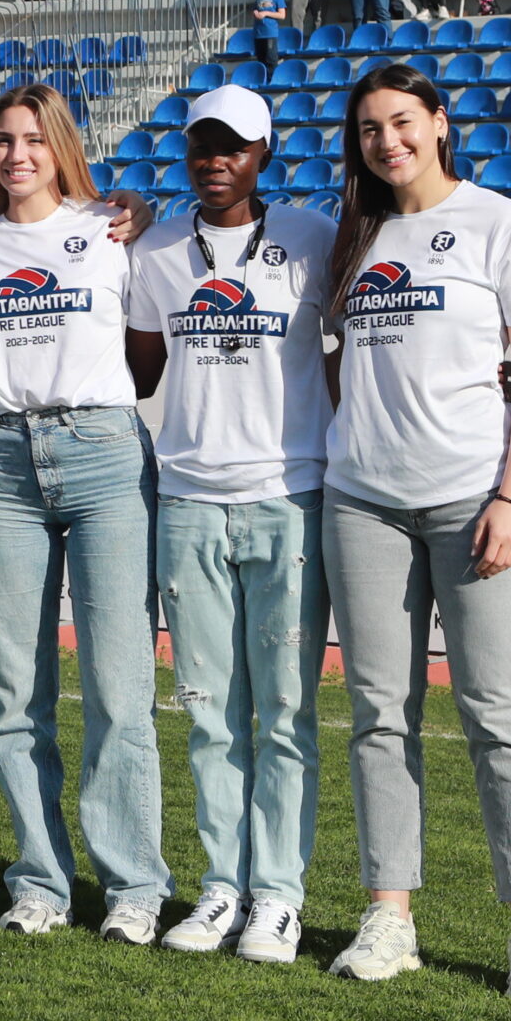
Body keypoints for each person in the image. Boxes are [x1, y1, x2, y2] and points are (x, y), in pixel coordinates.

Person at [320, 67, 511, 1004]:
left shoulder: (502, 225)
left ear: (439, 123)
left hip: (473, 502)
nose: (387, 141)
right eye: (369, 129)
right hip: (361, 504)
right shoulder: (353, 233)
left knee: (499, 715)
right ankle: (390, 916)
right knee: (379, 717)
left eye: (402, 122)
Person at [0, 84, 166, 942]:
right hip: (2, 459)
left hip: (104, 451)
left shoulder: (113, 230)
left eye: (34, 139)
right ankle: (40, 879)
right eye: (2, 141)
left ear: (61, 145)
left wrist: (139, 206)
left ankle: (134, 887)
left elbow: (147, 341)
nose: (17, 155)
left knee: (119, 689)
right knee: (14, 694)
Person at [124, 86, 336, 964]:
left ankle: (278, 896)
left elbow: (352, 351)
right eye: (202, 147)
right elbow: (140, 371)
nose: (216, 161)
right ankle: (222, 887)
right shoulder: (156, 250)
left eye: (234, 147)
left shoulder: (315, 238)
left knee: (284, 712)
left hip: (290, 498)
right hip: (188, 502)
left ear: (264, 154)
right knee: (210, 713)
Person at [250, 0, 287, 67]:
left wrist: (266, 13)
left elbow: (282, 15)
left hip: (270, 34)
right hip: (258, 34)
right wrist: (255, 13)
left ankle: (272, 76)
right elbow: (255, 10)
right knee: (261, 60)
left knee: (271, 59)